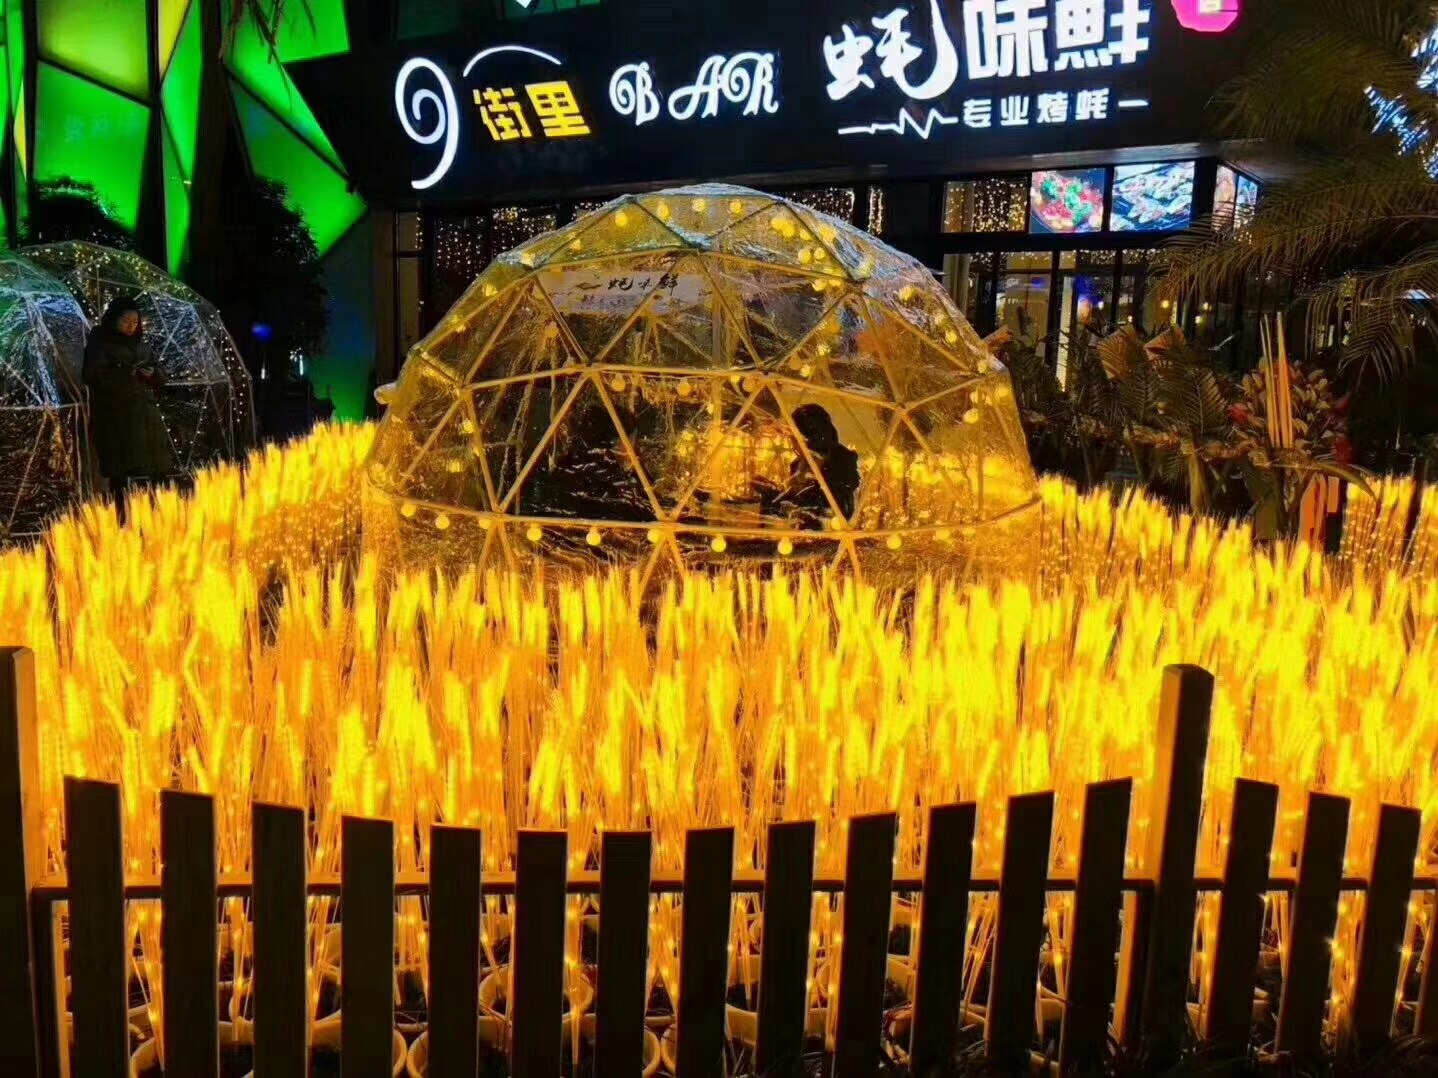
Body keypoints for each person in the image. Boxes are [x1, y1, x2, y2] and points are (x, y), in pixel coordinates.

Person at [83, 299, 175, 517]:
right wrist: (126, 374)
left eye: (135, 321)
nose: (131, 326)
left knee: (154, 470)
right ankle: (122, 516)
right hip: (117, 417)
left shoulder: (141, 346)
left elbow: (161, 375)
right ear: (114, 319)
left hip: (146, 416)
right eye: (126, 321)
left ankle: (153, 516)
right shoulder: (100, 344)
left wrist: (152, 374)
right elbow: (92, 376)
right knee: (122, 471)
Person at [759, 403, 860, 527]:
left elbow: (835, 511)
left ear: (811, 437)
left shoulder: (842, 466)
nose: (792, 445)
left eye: (795, 439)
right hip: (797, 533)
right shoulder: (798, 465)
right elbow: (790, 507)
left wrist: (791, 502)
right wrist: (772, 495)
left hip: (829, 534)